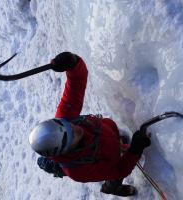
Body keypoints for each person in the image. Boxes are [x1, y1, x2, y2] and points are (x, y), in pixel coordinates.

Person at [29, 52, 152, 197]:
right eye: (71, 137)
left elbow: (76, 83)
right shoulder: (78, 171)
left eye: (70, 126)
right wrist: (135, 150)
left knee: (116, 144)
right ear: (65, 151)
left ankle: (117, 144)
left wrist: (72, 63)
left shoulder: (65, 118)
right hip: (107, 160)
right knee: (114, 175)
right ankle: (112, 187)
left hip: (109, 137)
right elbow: (119, 170)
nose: (76, 129)